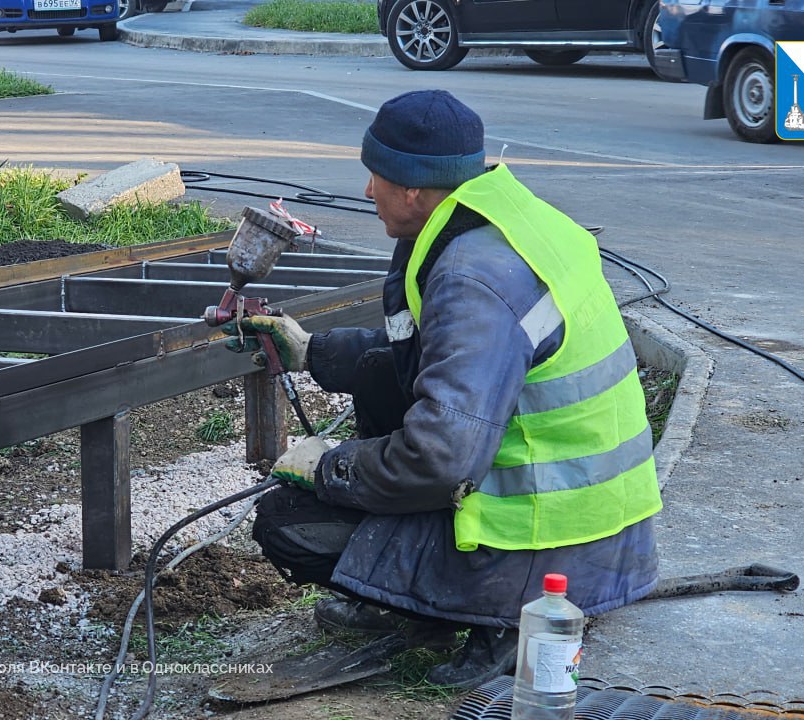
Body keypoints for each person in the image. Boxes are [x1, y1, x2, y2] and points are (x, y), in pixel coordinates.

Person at [225, 89, 663, 687]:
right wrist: (313, 351)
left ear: (412, 190)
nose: (365, 192)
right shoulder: (508, 223)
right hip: (604, 529)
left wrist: (330, 466)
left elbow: (440, 457)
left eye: (373, 178)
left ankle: (493, 621)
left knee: (285, 520)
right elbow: (424, 354)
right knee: (384, 393)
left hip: (544, 549)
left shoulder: (470, 276)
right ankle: (431, 604)